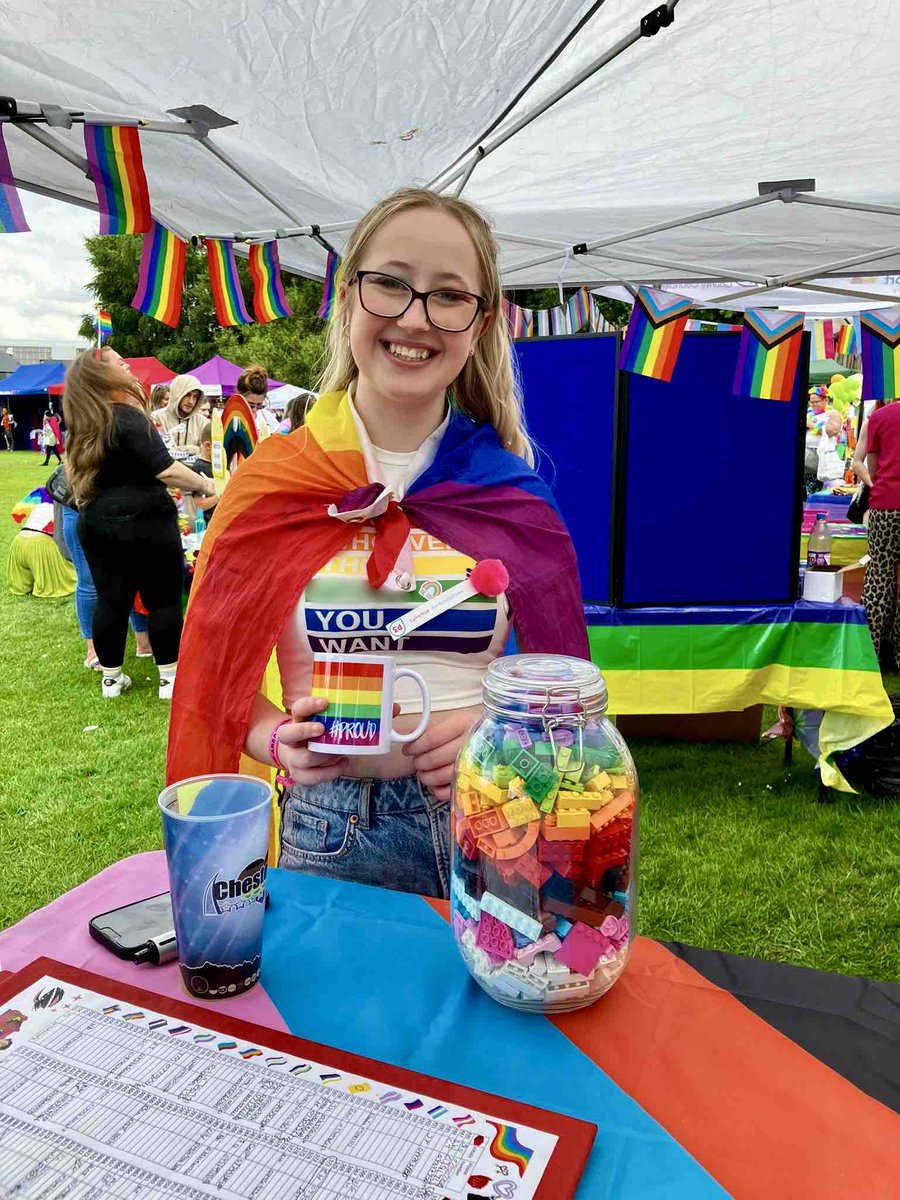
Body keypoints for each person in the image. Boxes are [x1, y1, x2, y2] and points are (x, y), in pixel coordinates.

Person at [168, 187, 588, 898]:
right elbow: (215, 686)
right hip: (332, 833)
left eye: (449, 295)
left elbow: (564, 697)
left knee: (501, 1006)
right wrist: (279, 742)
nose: (415, 317)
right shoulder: (272, 489)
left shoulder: (512, 499)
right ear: (348, 298)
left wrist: (496, 729)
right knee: (331, 1013)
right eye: (390, 283)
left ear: (481, 323)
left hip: (493, 819)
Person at [63, 351, 217, 699]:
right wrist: (206, 484)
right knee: (162, 599)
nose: (128, 367)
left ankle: (111, 680)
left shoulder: (84, 421)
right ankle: (169, 680)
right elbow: (166, 469)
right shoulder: (129, 418)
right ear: (105, 376)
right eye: (120, 364)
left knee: (110, 601)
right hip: (146, 517)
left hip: (98, 518)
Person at [859, 397, 900, 667]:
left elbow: (870, 467)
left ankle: (867, 654)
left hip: (885, 505)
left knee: (878, 579)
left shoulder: (880, 416)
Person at [7, 502, 76, 599]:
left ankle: (22, 587)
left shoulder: (41, 506)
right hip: (42, 543)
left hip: (18, 541)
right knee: (68, 578)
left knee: (21, 580)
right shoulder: (65, 508)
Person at [152, 374, 206, 456]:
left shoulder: (203, 422)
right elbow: (159, 451)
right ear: (177, 394)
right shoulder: (157, 417)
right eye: (187, 395)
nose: (191, 401)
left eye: (195, 397)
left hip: (194, 469)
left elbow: (207, 453)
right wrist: (192, 449)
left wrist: (176, 450)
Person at [182, 422, 219, 524]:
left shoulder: (219, 466)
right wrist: (221, 494)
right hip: (206, 524)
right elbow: (198, 505)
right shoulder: (199, 468)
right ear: (208, 446)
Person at [231, 364, 279, 436]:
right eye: (250, 405)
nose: (255, 410)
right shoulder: (228, 417)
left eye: (260, 405)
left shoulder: (267, 417)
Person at [816, 409, 845, 489]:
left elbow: (833, 430)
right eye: (811, 402)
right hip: (807, 467)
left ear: (825, 400)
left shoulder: (833, 414)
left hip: (824, 469)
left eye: (816, 401)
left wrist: (810, 425)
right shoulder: (809, 413)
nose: (813, 405)